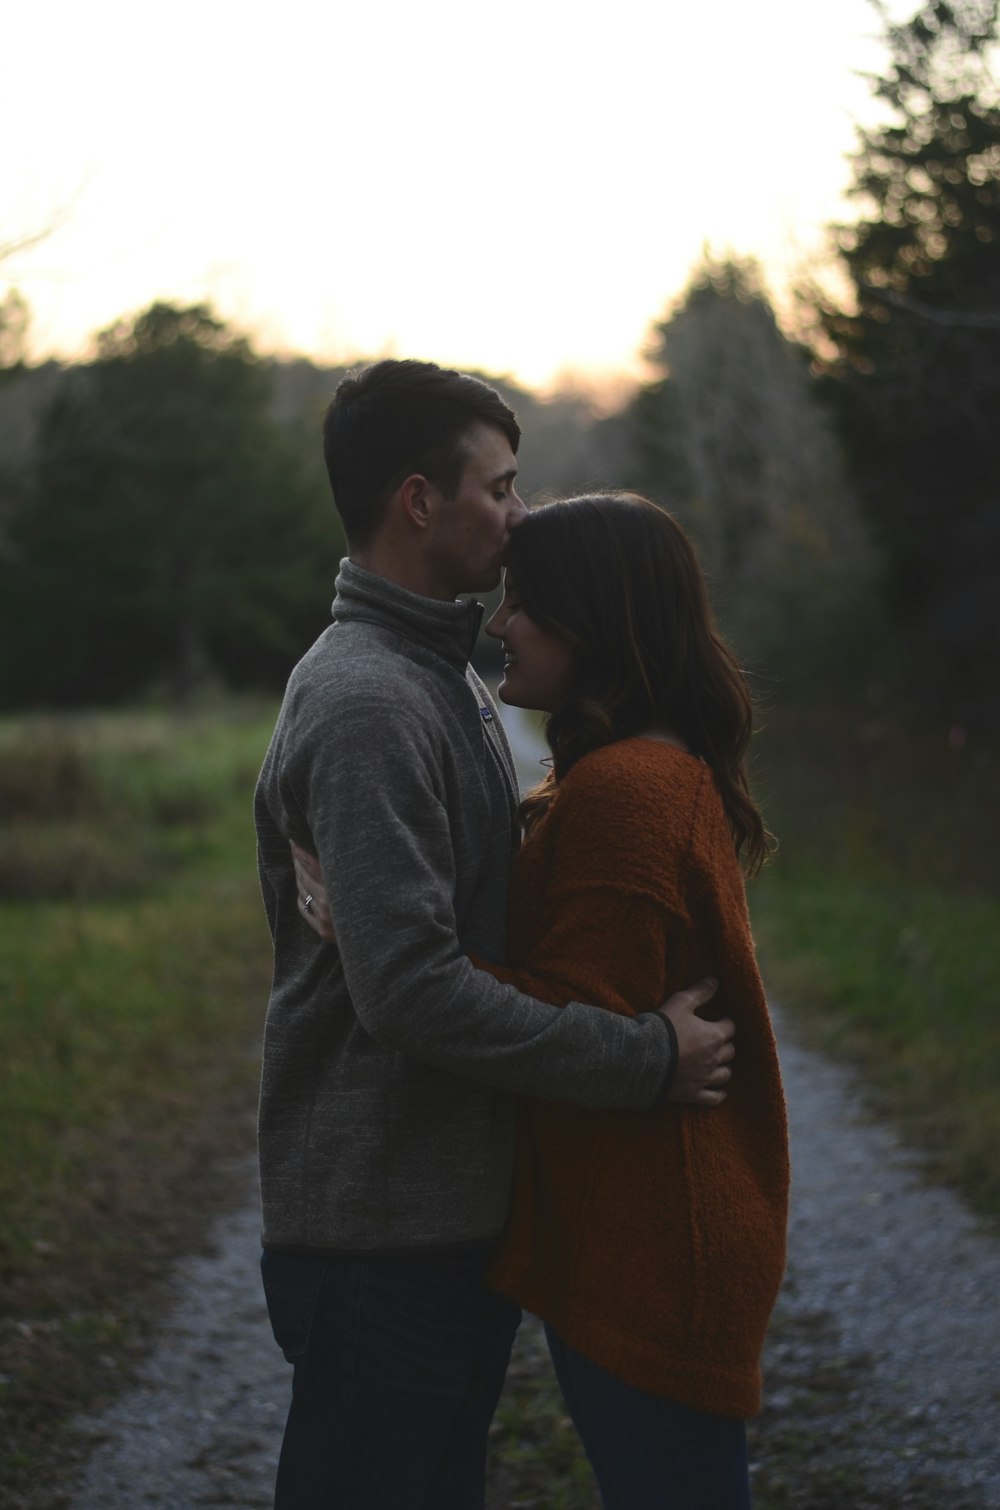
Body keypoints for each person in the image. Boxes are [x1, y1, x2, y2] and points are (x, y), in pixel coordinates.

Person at [254, 360, 736, 1510]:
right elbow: (411, 992)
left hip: (439, 1212)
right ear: (420, 500)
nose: (519, 515)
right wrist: (645, 1058)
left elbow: (444, 916)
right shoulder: (374, 699)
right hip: (380, 1228)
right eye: (502, 487)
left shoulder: (437, 674)